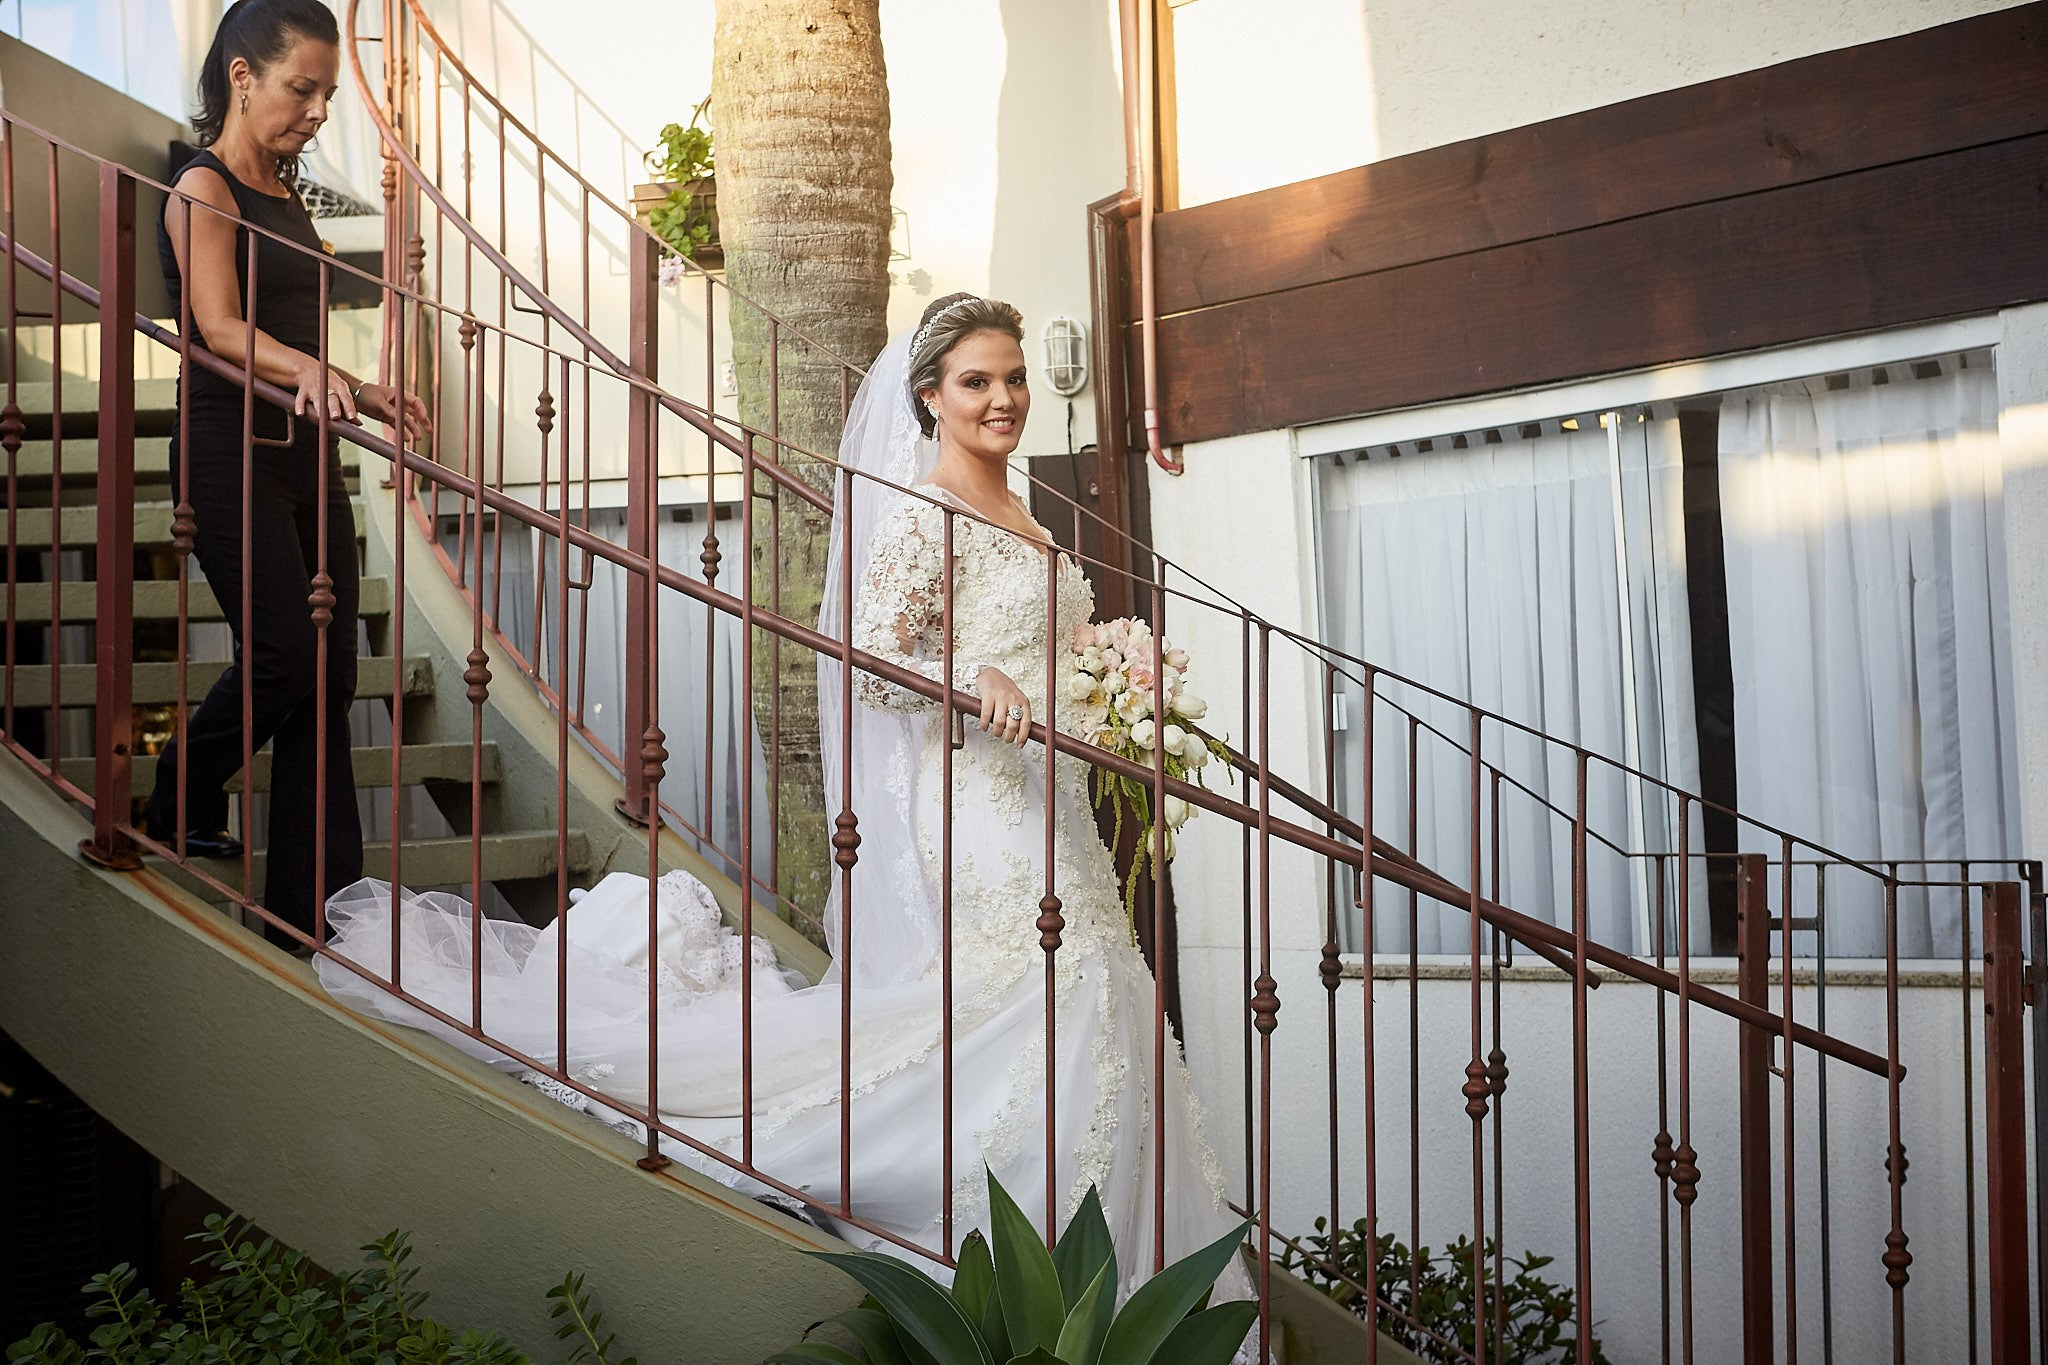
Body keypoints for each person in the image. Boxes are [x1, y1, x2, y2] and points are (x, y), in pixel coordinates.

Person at [315, 295, 1249, 1310]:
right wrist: (976, 674)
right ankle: (1009, 1255)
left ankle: (1102, 1261)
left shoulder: (1021, 514)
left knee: (1095, 988)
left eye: (1013, 378)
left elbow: (1051, 647)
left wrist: (1112, 688)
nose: (1003, 399)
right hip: (976, 800)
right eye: (976, 382)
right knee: (1044, 990)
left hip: (1047, 794)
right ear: (929, 398)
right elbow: (877, 663)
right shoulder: (924, 514)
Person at [146, 0, 426, 948]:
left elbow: (294, 334)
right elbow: (219, 328)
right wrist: (312, 371)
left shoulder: (289, 190)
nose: (316, 111)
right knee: (280, 651)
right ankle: (176, 788)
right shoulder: (204, 187)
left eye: (327, 95)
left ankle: (313, 908)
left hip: (308, 448)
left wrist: (360, 387)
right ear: (242, 76)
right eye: (300, 89)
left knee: (333, 670)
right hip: (226, 444)